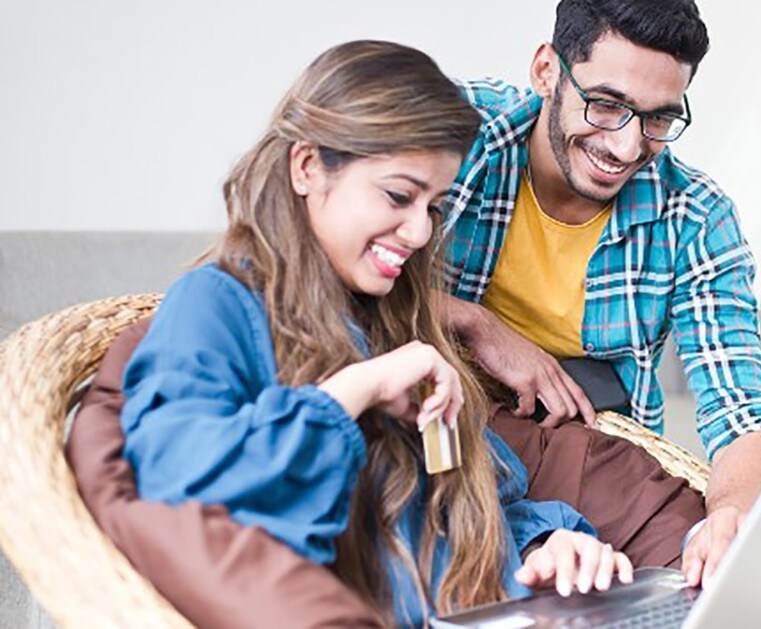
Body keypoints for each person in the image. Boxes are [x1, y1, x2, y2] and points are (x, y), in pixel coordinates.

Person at [115, 40, 632, 626]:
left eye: (433, 206)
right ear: (307, 167)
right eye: (397, 195)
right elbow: (179, 492)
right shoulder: (215, 306)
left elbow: (472, 505)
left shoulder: (391, 319)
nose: (418, 232)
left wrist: (545, 547)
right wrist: (355, 391)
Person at [439, 0, 761, 587]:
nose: (626, 149)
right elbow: (308, 260)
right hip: (439, 425)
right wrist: (472, 322)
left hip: (591, 451)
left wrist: (732, 515)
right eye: (606, 106)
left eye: (657, 119)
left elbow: (740, 407)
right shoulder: (455, 127)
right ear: (547, 70)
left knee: (733, 589)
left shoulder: (694, 217)